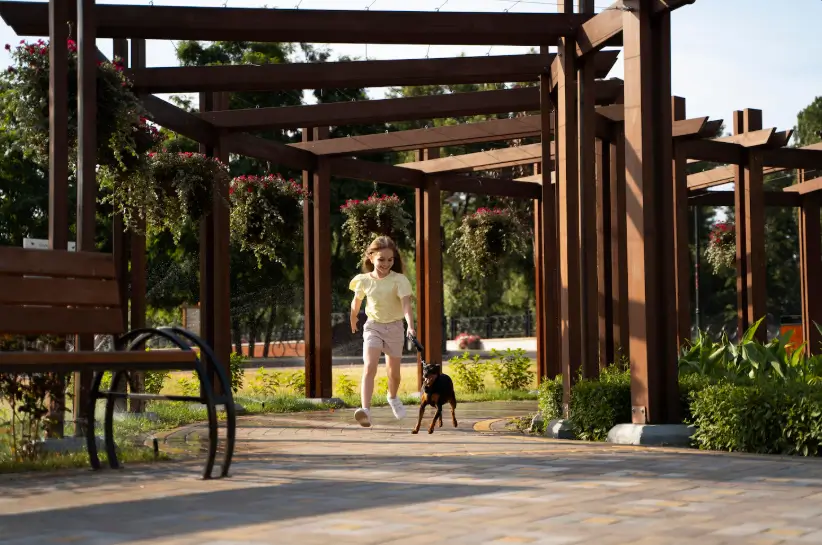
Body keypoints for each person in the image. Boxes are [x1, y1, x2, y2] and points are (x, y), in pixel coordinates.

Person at [349, 236, 416, 427]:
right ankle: (366, 411)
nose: (386, 264)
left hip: (394, 328)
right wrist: (353, 316)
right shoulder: (363, 281)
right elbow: (357, 300)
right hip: (373, 327)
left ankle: (392, 397)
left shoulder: (399, 280)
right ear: (371, 258)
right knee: (369, 366)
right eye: (381, 259)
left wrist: (410, 326)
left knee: (394, 374)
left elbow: (406, 306)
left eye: (390, 259)